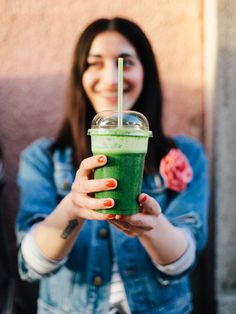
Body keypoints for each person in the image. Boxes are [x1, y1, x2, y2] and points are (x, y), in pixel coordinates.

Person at [15, 17, 209, 314]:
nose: (110, 79)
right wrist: (73, 207)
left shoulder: (187, 155)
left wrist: (152, 227)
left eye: (125, 62)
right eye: (94, 63)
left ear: (146, 71)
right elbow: (32, 267)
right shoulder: (41, 159)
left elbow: (181, 265)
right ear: (80, 75)